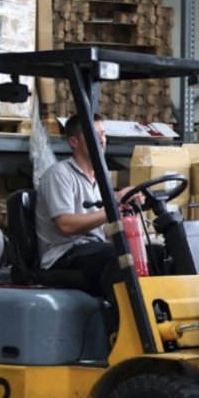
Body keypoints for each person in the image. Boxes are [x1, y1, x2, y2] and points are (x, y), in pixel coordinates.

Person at [35, 113, 141, 336]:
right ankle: (120, 332)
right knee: (118, 256)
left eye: (103, 134)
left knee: (155, 253)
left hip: (92, 250)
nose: (101, 139)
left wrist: (129, 210)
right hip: (64, 254)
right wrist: (114, 205)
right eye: (94, 134)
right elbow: (65, 225)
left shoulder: (101, 180)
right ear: (73, 142)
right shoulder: (59, 174)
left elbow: (105, 226)